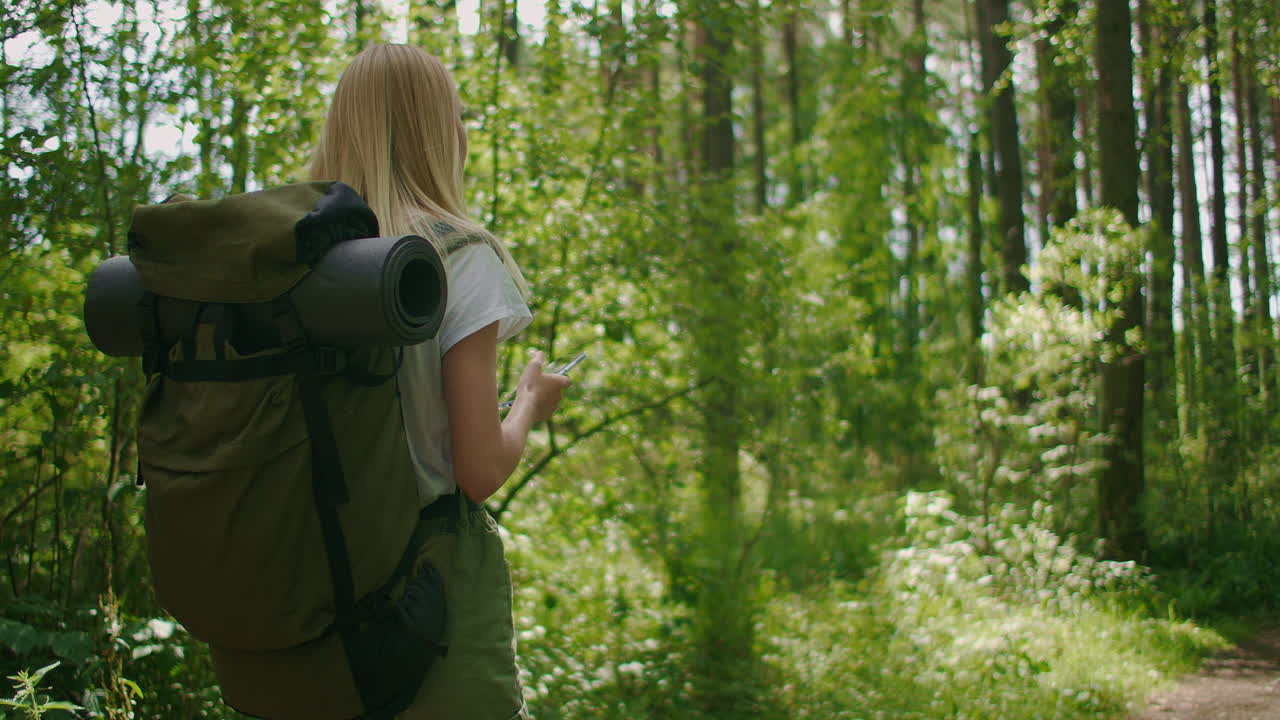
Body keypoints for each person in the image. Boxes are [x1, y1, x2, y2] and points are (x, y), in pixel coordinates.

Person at [309, 43, 569, 720]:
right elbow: (478, 469)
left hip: (307, 591)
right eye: (455, 116)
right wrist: (530, 407)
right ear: (432, 132)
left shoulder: (298, 262)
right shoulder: (457, 256)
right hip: (425, 601)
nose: (462, 131)